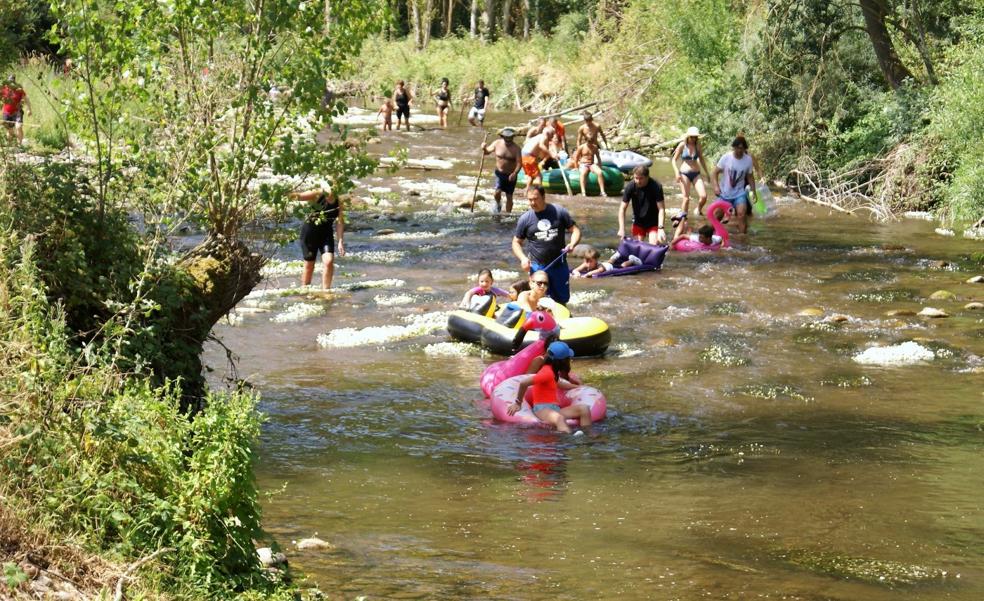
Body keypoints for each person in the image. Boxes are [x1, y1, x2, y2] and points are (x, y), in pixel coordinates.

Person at [512, 185, 581, 305]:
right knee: (539, 300)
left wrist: (572, 244)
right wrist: (523, 258)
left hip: (559, 265)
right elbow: (516, 242)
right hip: (538, 267)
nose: (532, 202)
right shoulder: (525, 219)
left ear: (544, 197)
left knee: (561, 300)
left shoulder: (559, 212)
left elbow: (575, 230)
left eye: (535, 199)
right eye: (530, 200)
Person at [507, 341, 591, 435]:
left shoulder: (553, 371)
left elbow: (559, 384)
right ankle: (570, 441)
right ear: (563, 361)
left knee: (584, 409)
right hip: (542, 410)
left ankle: (587, 436)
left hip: (554, 409)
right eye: (568, 358)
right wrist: (518, 403)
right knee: (559, 418)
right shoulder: (546, 372)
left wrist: (578, 386)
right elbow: (523, 383)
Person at [290, 186, 345, 289]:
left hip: (326, 234)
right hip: (310, 233)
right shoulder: (317, 194)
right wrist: (283, 194)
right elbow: (299, 197)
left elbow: (340, 221)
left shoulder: (339, 201)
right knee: (309, 265)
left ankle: (326, 291)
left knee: (328, 261)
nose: (330, 192)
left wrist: (340, 241)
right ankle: (305, 289)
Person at [713, 135, 755, 234]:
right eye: (738, 148)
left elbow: (750, 177)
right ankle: (711, 237)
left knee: (741, 214)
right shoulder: (726, 157)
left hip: (739, 194)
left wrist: (753, 192)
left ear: (745, 149)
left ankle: (742, 240)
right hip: (724, 193)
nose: (740, 151)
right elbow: (714, 173)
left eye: (742, 148)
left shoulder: (748, 160)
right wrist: (716, 186)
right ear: (734, 147)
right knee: (717, 216)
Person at [617, 165, 667, 245]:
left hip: (653, 221)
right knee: (637, 247)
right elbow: (622, 209)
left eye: (641, 178)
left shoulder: (656, 186)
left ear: (647, 177)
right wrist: (621, 228)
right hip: (638, 221)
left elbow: (661, 209)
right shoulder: (630, 186)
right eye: (636, 178)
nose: (638, 181)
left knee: (653, 245)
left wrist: (661, 228)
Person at [671, 126, 711, 216]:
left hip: (696, 173)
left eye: (695, 137)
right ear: (688, 136)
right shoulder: (682, 145)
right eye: (692, 137)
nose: (693, 139)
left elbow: (701, 159)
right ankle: (683, 219)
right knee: (686, 198)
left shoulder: (698, 145)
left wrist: (707, 173)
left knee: (703, 196)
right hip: (684, 174)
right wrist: (676, 172)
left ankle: (698, 209)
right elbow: (674, 160)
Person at [481, 127, 522, 214]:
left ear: (513, 137)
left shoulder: (516, 149)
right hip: (499, 174)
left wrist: (515, 173)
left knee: (509, 196)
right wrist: (484, 148)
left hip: (511, 175)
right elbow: (487, 152)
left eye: (510, 137)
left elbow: (519, 163)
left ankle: (508, 215)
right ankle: (498, 203)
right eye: (506, 137)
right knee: (497, 192)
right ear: (502, 136)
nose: (508, 139)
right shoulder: (497, 143)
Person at [570, 248, 641, 278]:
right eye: (586, 260)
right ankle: (615, 256)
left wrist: (587, 274)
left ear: (596, 260)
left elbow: (599, 271)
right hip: (606, 263)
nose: (588, 263)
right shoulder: (585, 264)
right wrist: (576, 272)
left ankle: (632, 260)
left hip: (610, 267)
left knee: (623, 265)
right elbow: (575, 270)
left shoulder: (600, 266)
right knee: (610, 261)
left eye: (590, 261)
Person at [1, 75, 31, 146]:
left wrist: (29, 109)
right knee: (10, 131)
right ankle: (10, 146)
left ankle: (20, 145)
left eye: (12, 82)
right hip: (7, 113)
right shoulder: (3, 89)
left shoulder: (19, 90)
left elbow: (26, 99)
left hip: (17, 112)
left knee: (18, 127)